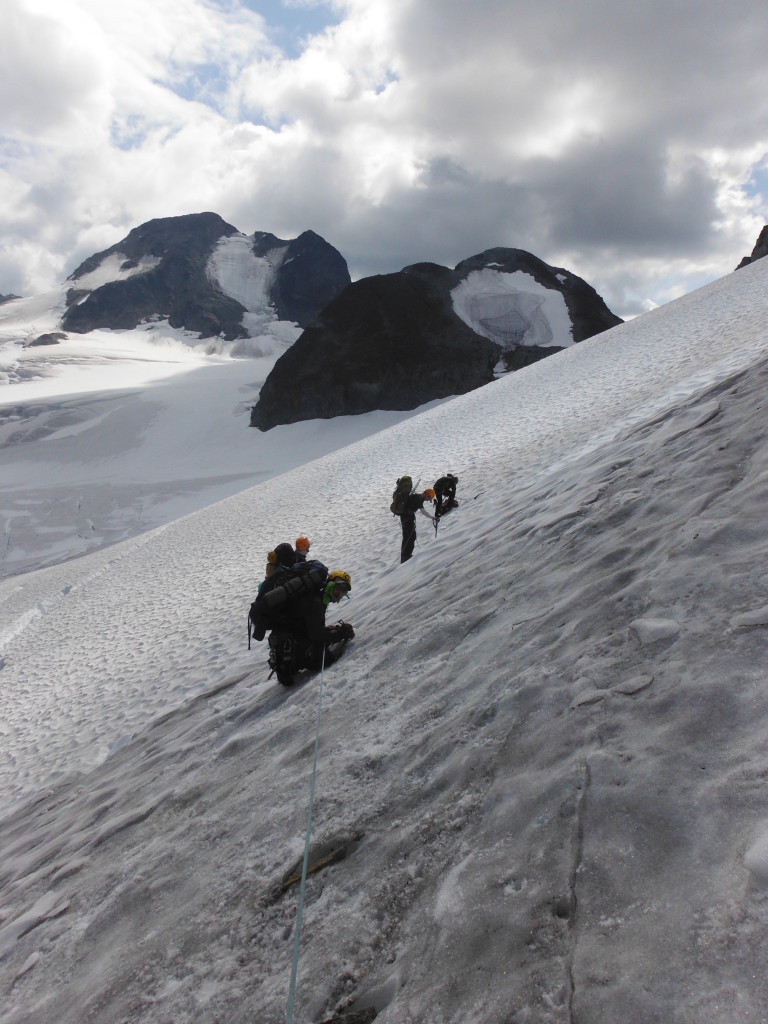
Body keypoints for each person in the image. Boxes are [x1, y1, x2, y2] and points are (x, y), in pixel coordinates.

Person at [267, 569, 355, 685]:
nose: (338, 595)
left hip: (287, 647)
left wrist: (335, 631)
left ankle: (286, 668)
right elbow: (316, 635)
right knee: (326, 658)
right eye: (337, 589)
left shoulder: (315, 597)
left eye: (342, 593)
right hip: (291, 649)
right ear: (330, 585)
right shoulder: (315, 603)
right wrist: (340, 634)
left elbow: (312, 628)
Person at [391, 475, 435, 563]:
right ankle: (407, 556)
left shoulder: (417, 497)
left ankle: (404, 557)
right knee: (411, 537)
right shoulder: (418, 498)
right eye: (428, 498)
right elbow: (423, 512)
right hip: (408, 519)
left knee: (406, 537)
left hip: (404, 518)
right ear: (426, 494)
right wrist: (433, 518)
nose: (427, 500)